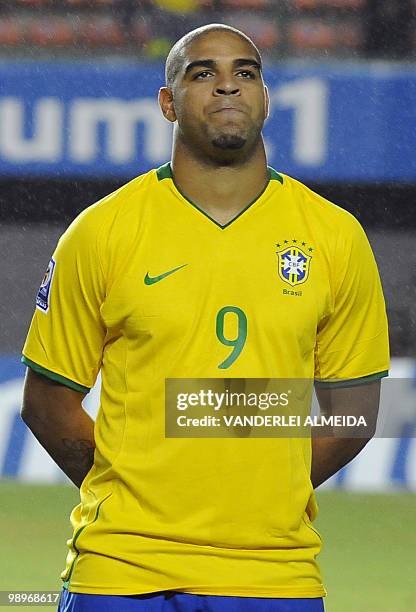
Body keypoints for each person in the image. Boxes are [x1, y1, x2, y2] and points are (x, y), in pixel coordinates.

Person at [21, 23, 389, 612]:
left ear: (266, 98)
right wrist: (134, 492)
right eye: (203, 73)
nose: (228, 86)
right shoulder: (101, 231)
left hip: (274, 575)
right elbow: (46, 400)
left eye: (246, 72)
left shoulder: (336, 236)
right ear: (168, 102)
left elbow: (357, 412)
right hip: (121, 571)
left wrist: (270, 492)